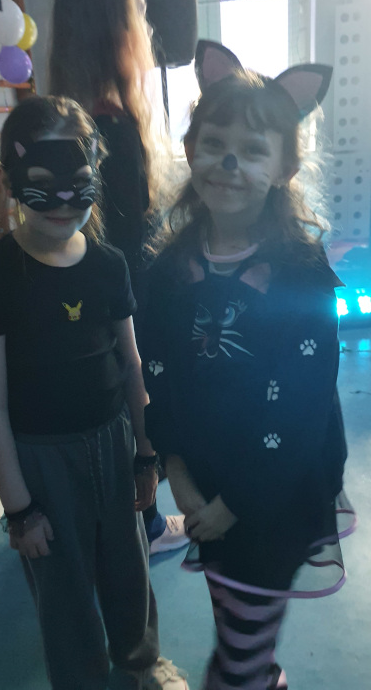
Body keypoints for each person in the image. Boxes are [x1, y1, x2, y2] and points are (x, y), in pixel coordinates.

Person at [141, 42, 355, 690]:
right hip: (204, 482)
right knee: (236, 621)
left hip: (274, 495)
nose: (229, 162)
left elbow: (303, 405)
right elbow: (159, 373)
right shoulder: (171, 268)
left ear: (285, 166)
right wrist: (178, 470)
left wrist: (237, 502)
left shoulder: (300, 272)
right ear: (191, 149)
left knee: (236, 654)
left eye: (253, 150)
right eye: (215, 143)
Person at [0, 96, 188, 690]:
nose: (64, 202)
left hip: (113, 444)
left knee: (129, 571)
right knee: (61, 588)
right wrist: (19, 510)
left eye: (78, 183)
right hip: (42, 461)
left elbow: (131, 364)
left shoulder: (109, 265)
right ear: (12, 181)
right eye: (43, 185)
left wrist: (146, 455)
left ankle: (140, 663)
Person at [48, 0, 188, 556]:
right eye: (139, 14)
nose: (147, 28)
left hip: (81, 298)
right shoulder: (113, 128)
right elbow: (130, 243)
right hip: (124, 303)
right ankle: (146, 523)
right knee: (137, 405)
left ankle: (126, 515)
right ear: (118, 28)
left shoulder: (64, 120)